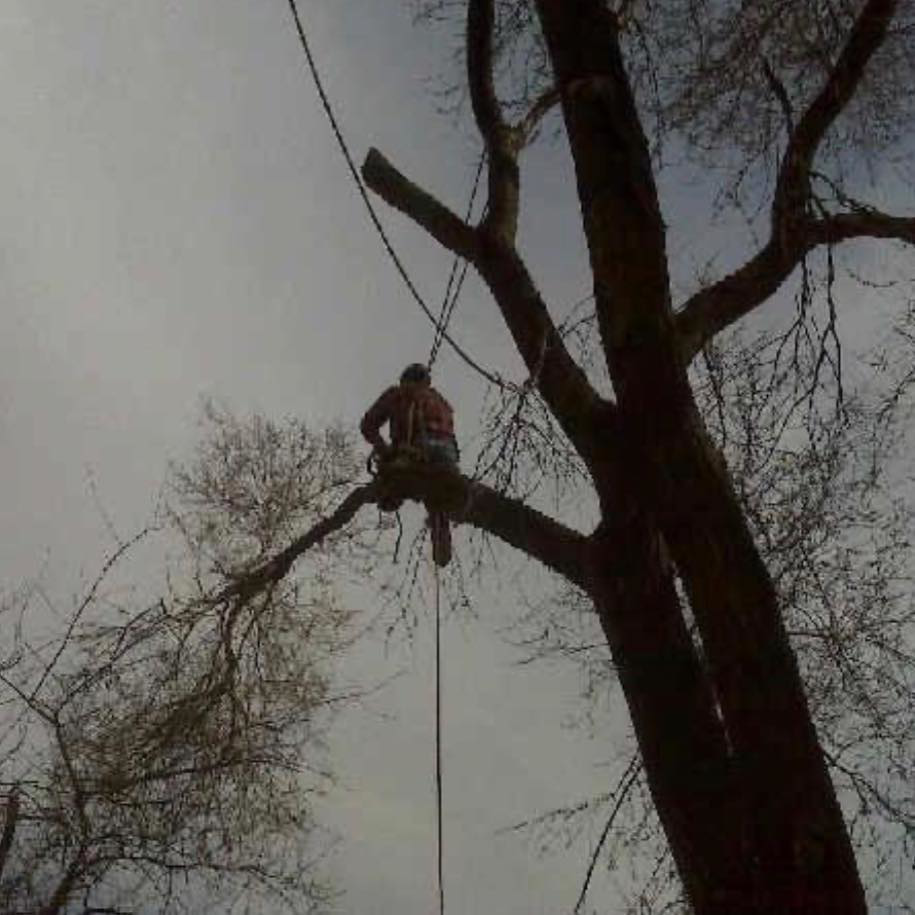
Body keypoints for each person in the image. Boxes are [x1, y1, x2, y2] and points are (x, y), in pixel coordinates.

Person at [360, 363, 458, 566]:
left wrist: (383, 449)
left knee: (392, 474)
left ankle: (391, 492)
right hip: (448, 459)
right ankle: (440, 524)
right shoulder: (441, 401)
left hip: (415, 453)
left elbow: (368, 425)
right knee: (437, 496)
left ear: (404, 380)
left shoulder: (398, 394)